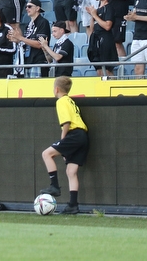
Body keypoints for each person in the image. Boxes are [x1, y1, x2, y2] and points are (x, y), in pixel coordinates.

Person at [40, 76, 89, 215]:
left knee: (46, 154)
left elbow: (66, 123)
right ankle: (73, 205)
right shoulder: (70, 100)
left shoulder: (61, 101)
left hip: (74, 135)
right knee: (71, 172)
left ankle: (54, 186)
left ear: (56, 89)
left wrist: (63, 142)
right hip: (84, 137)